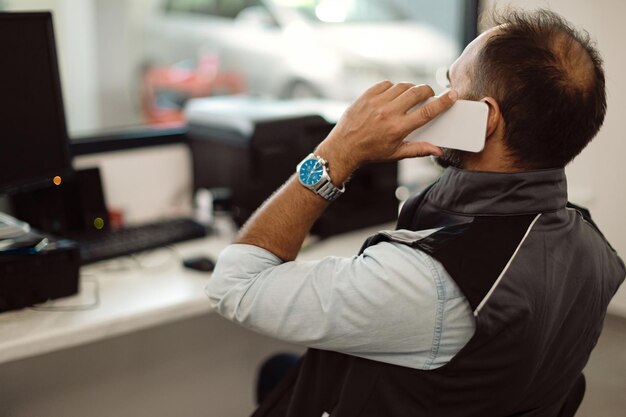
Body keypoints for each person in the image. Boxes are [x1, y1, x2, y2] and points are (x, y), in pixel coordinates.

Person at [207, 8, 625, 417]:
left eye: (449, 85)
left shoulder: (427, 283)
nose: (438, 98)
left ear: (484, 120)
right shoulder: (593, 246)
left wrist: (338, 151)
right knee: (281, 371)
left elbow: (235, 284)